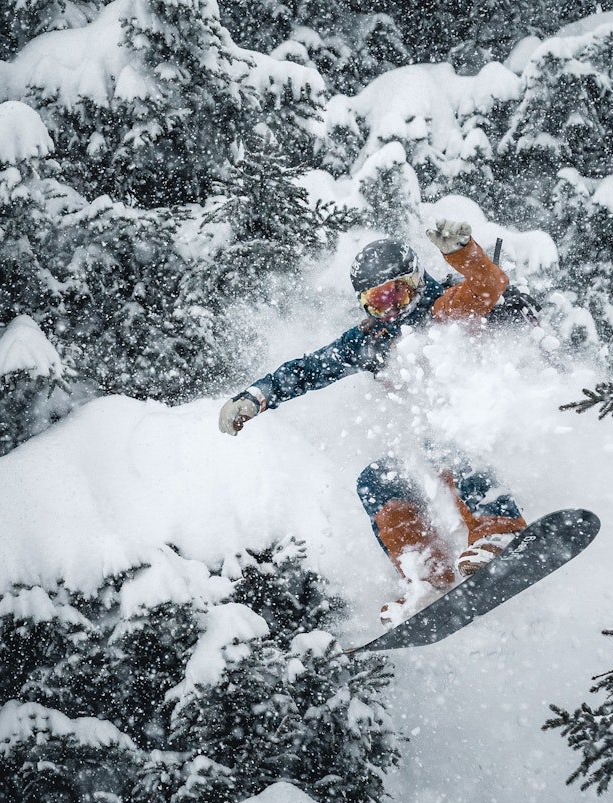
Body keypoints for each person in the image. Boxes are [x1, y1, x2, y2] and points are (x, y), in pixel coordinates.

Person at [217, 220, 528, 622]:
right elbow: (310, 368)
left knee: (442, 433)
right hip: (438, 446)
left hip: (490, 426)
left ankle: (499, 526)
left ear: (417, 280)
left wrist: (463, 252)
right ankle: (428, 575)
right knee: (377, 479)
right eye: (377, 301)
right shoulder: (372, 341)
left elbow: (487, 285)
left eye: (397, 292)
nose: (392, 308)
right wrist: (257, 397)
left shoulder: (445, 306)